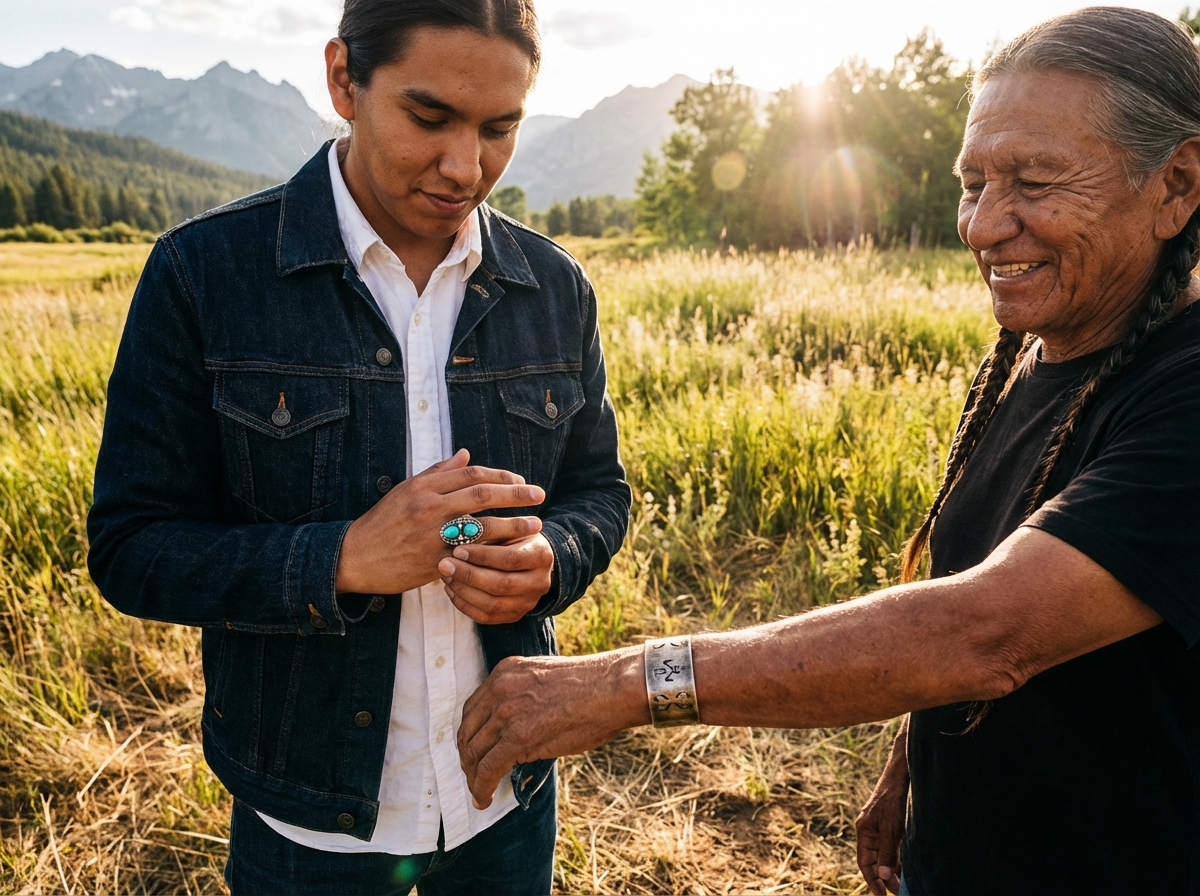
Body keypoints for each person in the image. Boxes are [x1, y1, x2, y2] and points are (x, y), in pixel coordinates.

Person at [454, 8, 1200, 895]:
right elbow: (983, 590)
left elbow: (987, 630)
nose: (984, 225)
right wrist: (914, 762)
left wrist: (623, 683)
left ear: (1177, 185)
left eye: (1035, 181)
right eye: (973, 182)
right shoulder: (1046, 351)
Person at [86, 1, 630, 893]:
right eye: (429, 118)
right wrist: (339, 558)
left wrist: (554, 556)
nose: (468, 167)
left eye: (500, 128)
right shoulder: (202, 274)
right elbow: (132, 548)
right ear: (344, 79)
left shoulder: (555, 287)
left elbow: (598, 491)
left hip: (508, 799)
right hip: (305, 824)